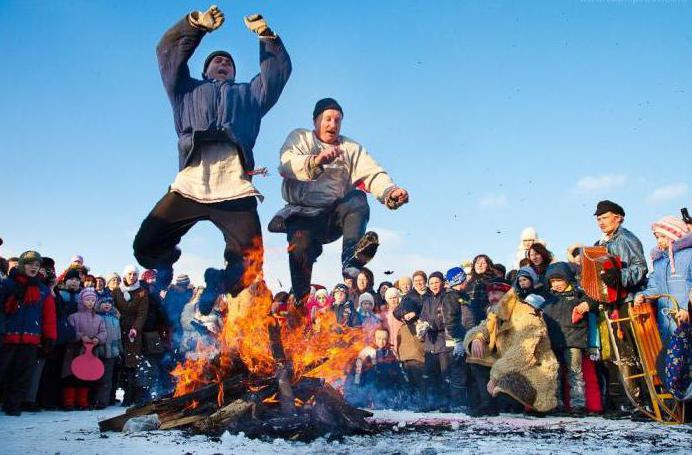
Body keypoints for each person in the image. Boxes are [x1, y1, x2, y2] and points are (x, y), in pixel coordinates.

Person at [132, 5, 292, 315]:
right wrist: (195, 25)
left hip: (233, 187)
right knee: (145, 246)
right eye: (217, 60)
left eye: (228, 62)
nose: (223, 63)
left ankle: (217, 285)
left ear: (233, 73)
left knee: (251, 263)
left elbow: (276, 77)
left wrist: (267, 37)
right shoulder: (185, 90)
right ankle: (164, 266)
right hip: (192, 183)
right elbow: (166, 53)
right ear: (205, 71)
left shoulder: (249, 95)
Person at [270, 97, 409, 303]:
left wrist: (389, 191)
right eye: (328, 119)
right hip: (302, 214)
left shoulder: (350, 148)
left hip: (332, 217)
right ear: (316, 121)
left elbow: (372, 172)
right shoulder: (300, 138)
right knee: (300, 246)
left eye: (337, 120)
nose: (332, 125)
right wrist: (316, 161)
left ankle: (351, 260)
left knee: (357, 199)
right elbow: (286, 164)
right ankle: (299, 297)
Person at [464, 287, 559, 415]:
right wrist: (477, 338)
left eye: (496, 292)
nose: (492, 297)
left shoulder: (526, 314)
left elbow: (522, 354)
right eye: (490, 293)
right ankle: (488, 405)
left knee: (507, 397)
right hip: (508, 365)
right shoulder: (495, 313)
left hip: (533, 368)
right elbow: (481, 328)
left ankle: (518, 404)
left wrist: (495, 376)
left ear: (507, 294)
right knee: (476, 356)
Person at [0, 251, 57, 416]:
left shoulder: (43, 290)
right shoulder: (8, 285)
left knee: (22, 374)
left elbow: (49, 316)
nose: (34, 267)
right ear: (21, 265)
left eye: (37, 264)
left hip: (31, 338)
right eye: (30, 263)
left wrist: (49, 337)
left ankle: (13, 405)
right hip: (8, 336)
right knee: (3, 371)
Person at [541, 262, 595, 413]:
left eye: (559, 280)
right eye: (553, 281)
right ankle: (556, 404)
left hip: (573, 340)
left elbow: (594, 301)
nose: (556, 284)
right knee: (555, 373)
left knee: (575, 372)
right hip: (554, 341)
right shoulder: (548, 300)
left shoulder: (579, 295)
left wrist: (587, 304)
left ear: (568, 279)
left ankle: (578, 404)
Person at [635, 216, 691, 340]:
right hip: (666, 323)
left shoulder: (688, 256)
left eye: (663, 236)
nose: (659, 240)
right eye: (657, 237)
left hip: (685, 319)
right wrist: (644, 296)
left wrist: (687, 308)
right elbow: (655, 286)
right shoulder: (659, 262)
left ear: (675, 234)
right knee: (668, 357)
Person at [417, 271, 456, 412]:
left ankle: (446, 404)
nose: (434, 285)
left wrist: (431, 324)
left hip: (444, 342)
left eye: (436, 282)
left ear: (442, 283)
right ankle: (429, 403)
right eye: (431, 283)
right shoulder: (427, 300)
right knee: (428, 375)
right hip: (430, 342)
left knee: (445, 375)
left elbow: (449, 319)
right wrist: (420, 326)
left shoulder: (447, 298)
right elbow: (422, 317)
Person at [63, 288, 106, 411]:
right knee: (71, 376)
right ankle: (69, 401)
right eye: (87, 299)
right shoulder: (73, 317)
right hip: (74, 351)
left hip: (91, 352)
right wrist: (81, 336)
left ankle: (83, 400)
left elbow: (103, 332)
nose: (90, 302)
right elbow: (69, 332)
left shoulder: (99, 319)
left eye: (93, 300)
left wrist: (98, 339)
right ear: (82, 301)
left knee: (86, 376)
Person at [112, 265, 149, 406]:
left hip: (133, 331)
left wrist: (135, 328)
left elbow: (142, 313)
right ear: (124, 275)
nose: (132, 276)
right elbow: (111, 305)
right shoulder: (116, 291)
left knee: (132, 364)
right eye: (129, 274)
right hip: (116, 328)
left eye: (134, 274)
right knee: (116, 361)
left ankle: (130, 396)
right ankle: (110, 396)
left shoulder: (142, 292)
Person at [94, 296, 122, 409]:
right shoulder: (96, 317)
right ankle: (94, 399)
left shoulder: (115, 318)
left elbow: (118, 335)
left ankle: (103, 401)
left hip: (112, 352)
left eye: (109, 303)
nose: (106, 305)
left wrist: (120, 350)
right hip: (99, 350)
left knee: (107, 378)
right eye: (103, 302)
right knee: (96, 377)